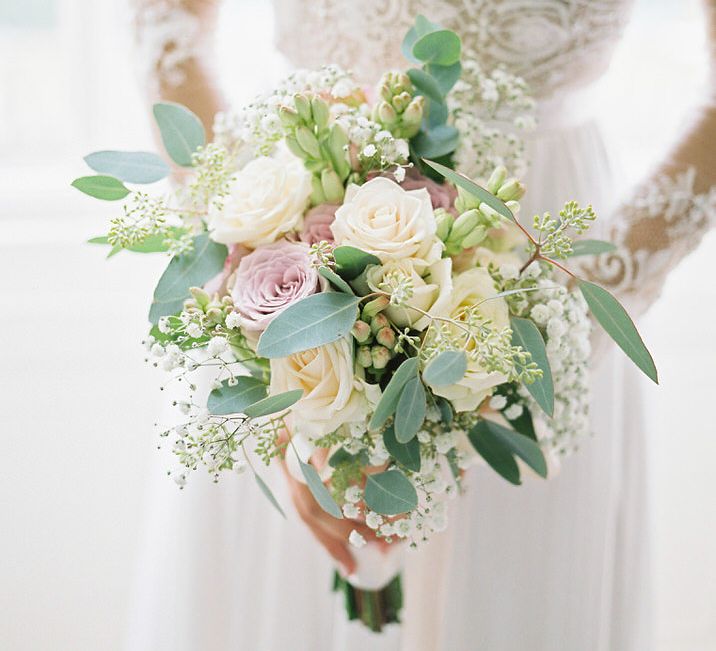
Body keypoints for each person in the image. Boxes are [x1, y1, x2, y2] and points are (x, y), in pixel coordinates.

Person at [126, 1, 716, 649]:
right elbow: (167, 24)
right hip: (295, 248)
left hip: (551, 267)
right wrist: (267, 279)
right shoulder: (281, 280)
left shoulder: (558, 315)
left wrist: (572, 317)